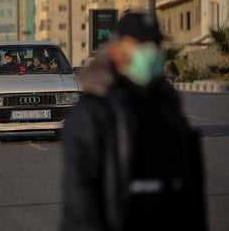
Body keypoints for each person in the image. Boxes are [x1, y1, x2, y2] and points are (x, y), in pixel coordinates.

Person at [61, 12, 206, 231]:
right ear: (116, 49)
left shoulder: (167, 105)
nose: (149, 51)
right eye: (140, 44)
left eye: (154, 43)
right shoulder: (92, 113)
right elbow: (81, 203)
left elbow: (189, 188)